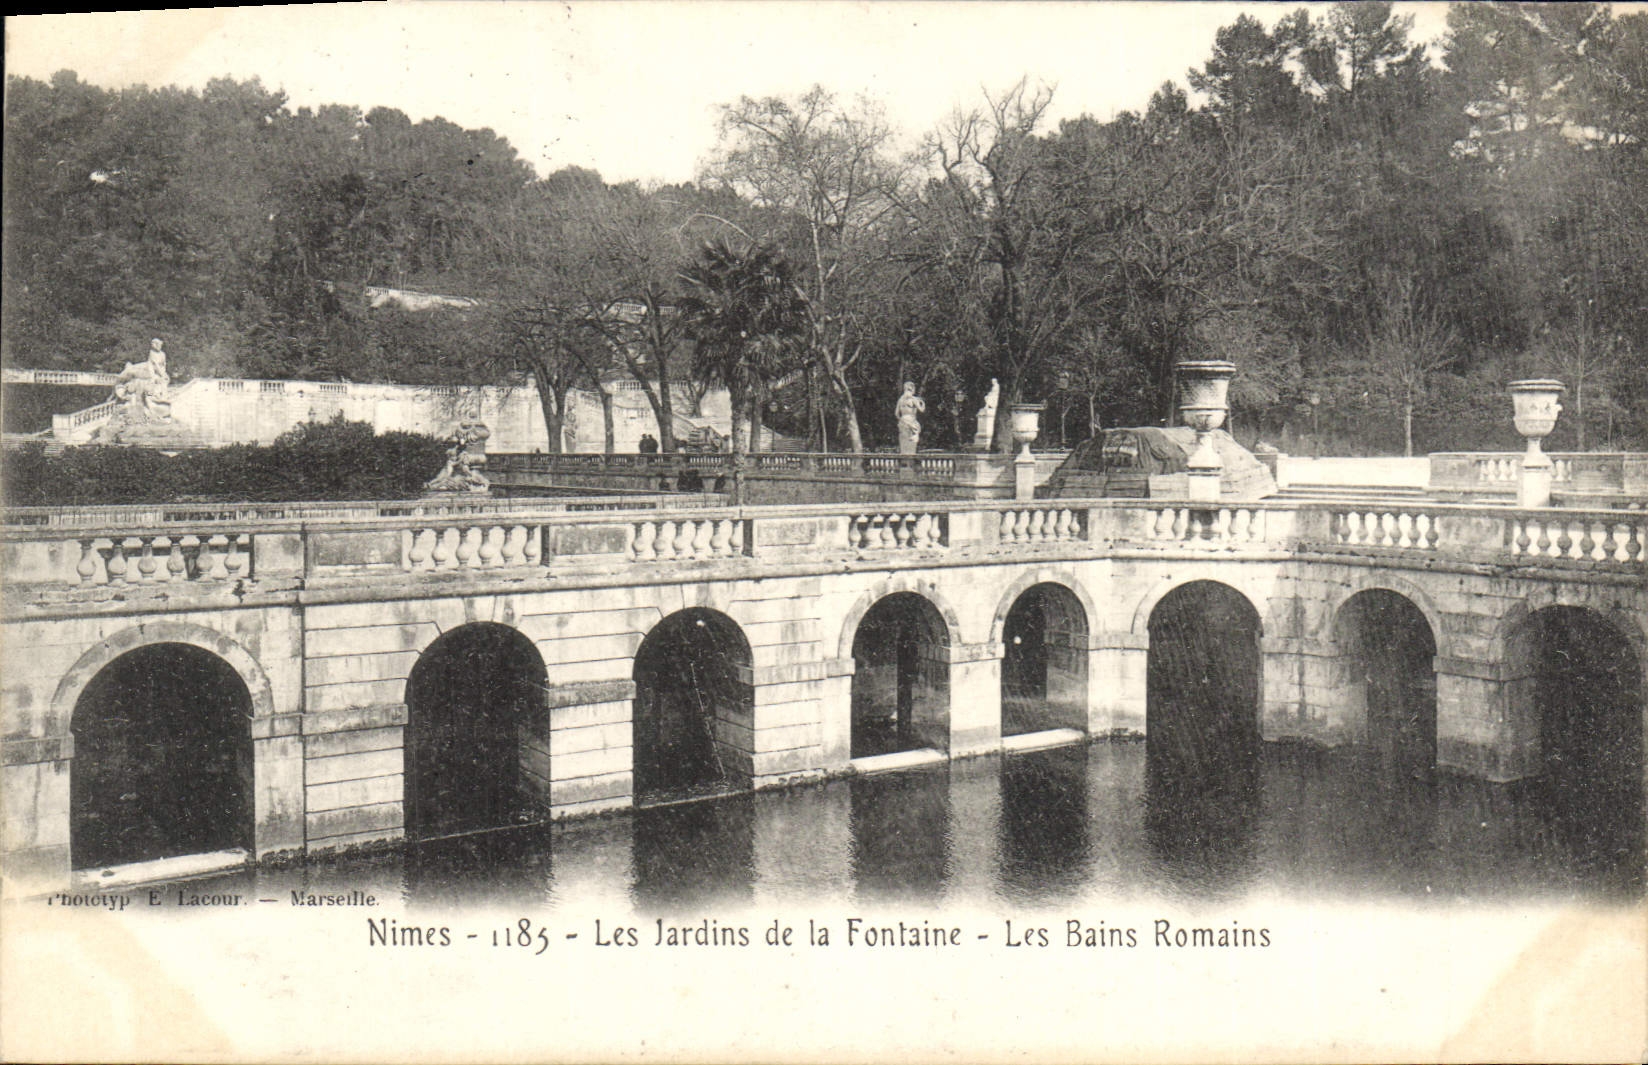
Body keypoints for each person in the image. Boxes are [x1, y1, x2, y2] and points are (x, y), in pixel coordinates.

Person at [895, 381, 925, 455]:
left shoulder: (900, 400)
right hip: (911, 420)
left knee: (904, 441)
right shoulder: (913, 399)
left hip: (903, 420)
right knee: (911, 443)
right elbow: (921, 410)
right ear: (912, 389)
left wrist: (901, 419)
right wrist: (922, 403)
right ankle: (910, 459)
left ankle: (904, 458)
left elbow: (896, 414)